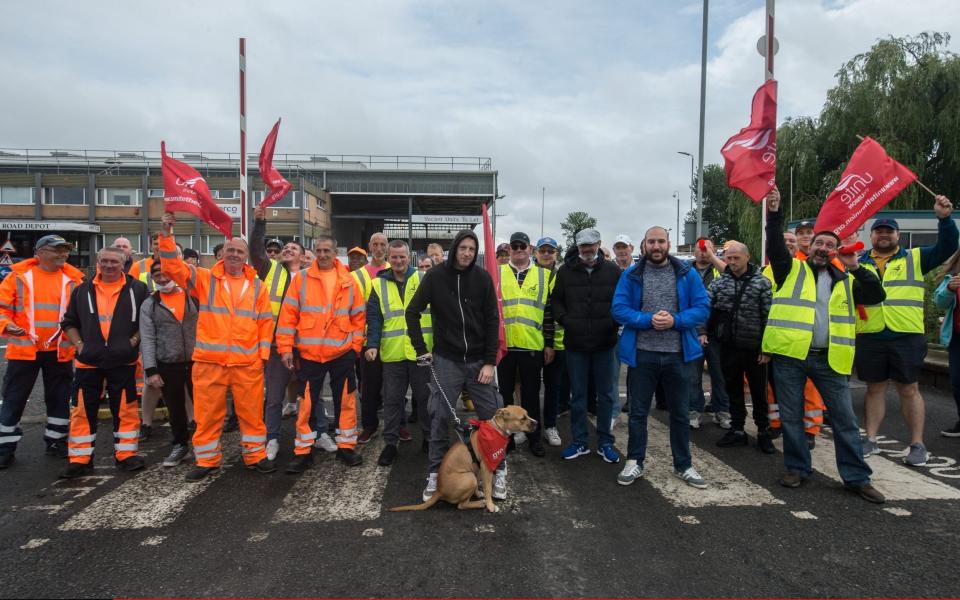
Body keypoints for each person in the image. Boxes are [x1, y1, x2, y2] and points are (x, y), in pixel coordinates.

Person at [762, 187, 886, 503]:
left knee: (845, 421)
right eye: (819, 243)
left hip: (831, 360)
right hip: (791, 356)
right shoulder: (791, 269)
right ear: (810, 247)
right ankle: (797, 468)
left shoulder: (847, 278)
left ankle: (857, 478)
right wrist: (774, 212)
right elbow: (776, 246)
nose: (824, 248)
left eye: (830, 245)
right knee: (791, 417)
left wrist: (856, 265)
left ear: (836, 251)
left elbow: (876, 296)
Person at [158, 212, 276, 481]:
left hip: (247, 363)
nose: (234, 254)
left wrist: (263, 356)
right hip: (211, 362)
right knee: (208, 415)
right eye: (229, 250)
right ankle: (208, 460)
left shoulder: (257, 286)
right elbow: (172, 268)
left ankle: (255, 456)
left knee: (251, 415)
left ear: (246, 257)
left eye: (239, 251)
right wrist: (166, 236)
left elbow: (265, 323)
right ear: (221, 254)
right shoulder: (205, 278)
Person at [405, 229, 505, 501]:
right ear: (455, 249)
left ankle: (499, 471)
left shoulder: (482, 279)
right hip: (446, 361)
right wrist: (421, 350)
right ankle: (436, 473)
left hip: (477, 363)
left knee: (493, 418)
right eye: (463, 248)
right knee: (438, 416)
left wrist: (488, 362)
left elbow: (492, 321)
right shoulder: (435, 277)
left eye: (472, 249)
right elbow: (412, 312)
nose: (467, 253)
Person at [858, 198, 957, 466]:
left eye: (889, 231)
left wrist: (945, 219)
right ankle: (871, 439)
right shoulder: (858, 262)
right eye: (880, 231)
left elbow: (948, 246)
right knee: (874, 389)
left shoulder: (915, 257)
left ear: (897, 235)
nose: (884, 235)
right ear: (872, 235)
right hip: (870, 334)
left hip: (906, 335)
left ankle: (917, 443)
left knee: (909, 389)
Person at [612, 226, 710, 489]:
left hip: (678, 355)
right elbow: (619, 309)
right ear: (644, 245)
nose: (656, 246)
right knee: (637, 413)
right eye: (651, 242)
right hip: (642, 355)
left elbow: (702, 309)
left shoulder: (686, 274)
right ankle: (634, 461)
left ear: (668, 244)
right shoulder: (632, 274)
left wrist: (676, 321)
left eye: (661, 241)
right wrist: (647, 320)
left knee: (679, 413)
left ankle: (684, 465)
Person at [249, 206, 336, 459]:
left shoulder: (311, 277)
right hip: (277, 345)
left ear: (303, 257)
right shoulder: (271, 270)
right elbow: (255, 249)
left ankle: (321, 434)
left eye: (293, 249)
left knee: (313, 395)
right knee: (274, 396)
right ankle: (272, 438)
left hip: (307, 346)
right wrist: (260, 223)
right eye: (284, 248)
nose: (287, 249)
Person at [276, 235, 366, 472]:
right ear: (314, 253)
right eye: (319, 250)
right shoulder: (302, 279)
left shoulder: (348, 280)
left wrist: (355, 346)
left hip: (342, 352)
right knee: (306, 405)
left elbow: (358, 316)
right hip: (310, 353)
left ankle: (346, 447)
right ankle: (303, 451)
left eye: (327, 250)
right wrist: (285, 347)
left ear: (336, 253)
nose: (323, 254)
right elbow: (288, 316)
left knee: (346, 401)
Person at [60, 247, 149, 478]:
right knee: (81, 411)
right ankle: (80, 459)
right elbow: (69, 322)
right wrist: (80, 346)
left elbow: (146, 320)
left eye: (114, 262)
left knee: (125, 410)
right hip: (88, 362)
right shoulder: (82, 291)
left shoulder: (138, 289)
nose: (109, 266)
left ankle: (126, 455)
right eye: (105, 261)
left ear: (124, 264)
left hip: (123, 361)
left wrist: (132, 342)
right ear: (98, 262)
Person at [0, 235, 84, 469]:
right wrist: (6, 326)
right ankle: (5, 447)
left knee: (58, 399)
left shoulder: (74, 279)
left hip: (59, 351)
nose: (63, 254)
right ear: (40, 253)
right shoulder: (18, 277)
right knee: (14, 399)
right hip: (24, 351)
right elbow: (2, 308)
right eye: (57, 250)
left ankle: (56, 441)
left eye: (65, 250)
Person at [553, 229, 622, 462]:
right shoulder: (565, 271)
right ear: (577, 246)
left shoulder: (613, 271)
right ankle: (580, 442)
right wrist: (566, 321)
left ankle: (605, 442)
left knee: (606, 395)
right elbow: (557, 301)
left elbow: (622, 301)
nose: (587, 250)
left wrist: (612, 322)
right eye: (583, 246)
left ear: (599, 244)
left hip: (605, 343)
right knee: (578, 396)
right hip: (576, 344)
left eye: (591, 245)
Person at [365, 240, 432, 465]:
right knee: (393, 401)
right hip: (392, 353)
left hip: (421, 352)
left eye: (402, 257)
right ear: (388, 258)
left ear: (409, 257)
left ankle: (430, 439)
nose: (398, 261)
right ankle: (390, 444)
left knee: (425, 399)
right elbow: (374, 319)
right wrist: (372, 344)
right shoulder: (377, 284)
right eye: (394, 257)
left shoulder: (424, 279)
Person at [705, 242, 775, 453]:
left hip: (754, 348)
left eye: (736, 258)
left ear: (747, 257)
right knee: (733, 390)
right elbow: (706, 308)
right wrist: (702, 331)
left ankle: (763, 431)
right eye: (729, 258)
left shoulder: (762, 283)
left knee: (758, 392)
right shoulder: (719, 283)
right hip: (728, 346)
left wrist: (766, 348)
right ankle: (737, 430)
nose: (732, 262)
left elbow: (768, 317)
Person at [498, 231, 553, 457]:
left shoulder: (543, 276)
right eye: (515, 246)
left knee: (531, 395)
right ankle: (505, 440)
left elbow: (548, 313)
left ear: (530, 249)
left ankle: (534, 439)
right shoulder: (497, 273)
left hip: (532, 346)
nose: (519, 249)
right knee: (504, 396)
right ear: (509, 249)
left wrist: (549, 344)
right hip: (504, 347)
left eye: (523, 246)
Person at [140, 260, 198, 467]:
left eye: (166, 274)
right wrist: (151, 370)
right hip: (168, 363)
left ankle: (204, 447)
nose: (163, 278)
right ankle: (180, 445)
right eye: (157, 275)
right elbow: (147, 338)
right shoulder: (150, 303)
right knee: (175, 409)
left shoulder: (192, 297)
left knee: (203, 408)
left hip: (197, 362)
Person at [356, 233, 397, 444]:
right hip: (366, 339)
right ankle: (369, 426)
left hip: (392, 338)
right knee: (369, 386)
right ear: (369, 247)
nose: (379, 248)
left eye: (383, 245)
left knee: (394, 387)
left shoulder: (396, 270)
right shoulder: (358, 275)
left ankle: (398, 425)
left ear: (387, 248)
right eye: (376, 244)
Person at [687, 238, 731, 430]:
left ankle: (721, 412)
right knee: (692, 376)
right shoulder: (686, 270)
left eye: (708, 249)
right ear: (694, 251)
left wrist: (713, 257)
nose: (703, 252)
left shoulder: (718, 269)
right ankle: (694, 412)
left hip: (717, 332)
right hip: (692, 330)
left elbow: (730, 275)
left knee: (719, 374)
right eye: (700, 249)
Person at [535, 237, 565, 447]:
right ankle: (530, 425)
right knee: (530, 386)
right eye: (543, 251)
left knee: (554, 386)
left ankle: (550, 426)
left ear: (556, 254)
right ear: (536, 253)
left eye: (550, 251)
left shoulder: (561, 275)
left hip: (557, 342)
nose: (546, 254)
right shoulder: (529, 273)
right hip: (533, 341)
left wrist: (552, 343)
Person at [933, 250, 960, 437]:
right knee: (957, 382)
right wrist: (950, 289)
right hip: (957, 338)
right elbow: (939, 303)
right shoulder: (952, 278)